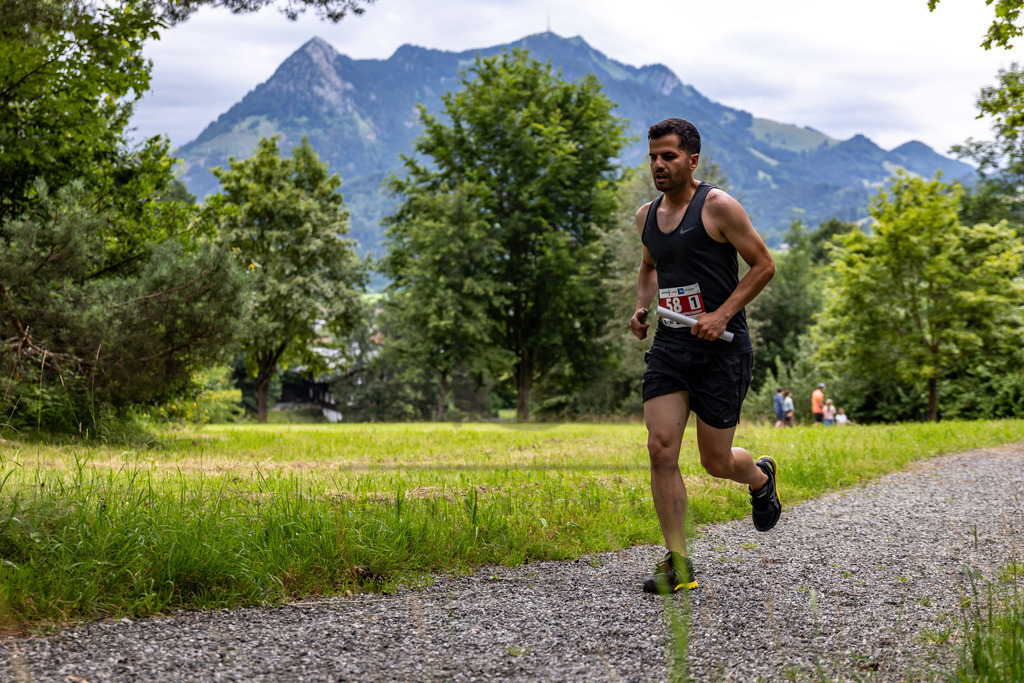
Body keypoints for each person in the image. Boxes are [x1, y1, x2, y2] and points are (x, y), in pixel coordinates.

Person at [629, 117, 780, 594]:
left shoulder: (718, 207)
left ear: (692, 160)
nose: (658, 164)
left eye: (668, 156)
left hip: (722, 350)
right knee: (660, 449)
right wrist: (641, 307)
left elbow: (764, 265)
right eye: (653, 155)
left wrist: (722, 313)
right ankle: (679, 564)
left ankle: (759, 478)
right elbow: (650, 266)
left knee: (715, 462)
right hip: (672, 347)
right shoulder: (645, 216)